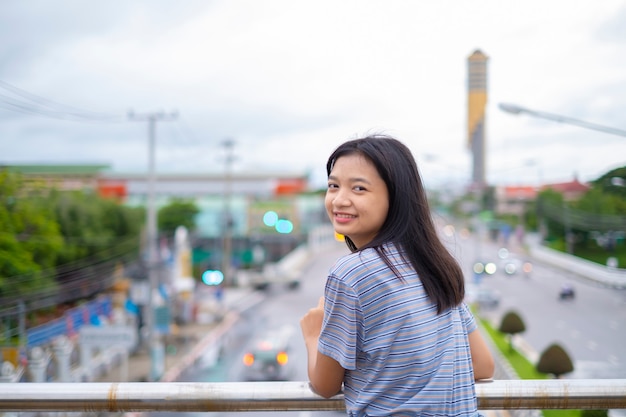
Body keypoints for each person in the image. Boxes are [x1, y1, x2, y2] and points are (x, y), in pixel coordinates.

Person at [300, 134, 494, 416]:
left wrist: (313, 335)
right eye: (333, 186)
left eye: (359, 189)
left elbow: (325, 385)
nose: (339, 200)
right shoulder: (434, 264)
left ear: (395, 196)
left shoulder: (350, 274)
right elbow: (483, 365)